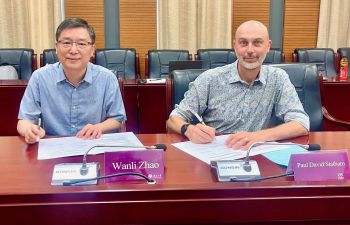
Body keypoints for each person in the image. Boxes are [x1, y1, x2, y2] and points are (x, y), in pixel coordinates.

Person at [166, 20, 309, 150]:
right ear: (235, 45)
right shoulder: (210, 79)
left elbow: (301, 123)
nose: (250, 50)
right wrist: (188, 129)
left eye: (257, 42)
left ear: (268, 46)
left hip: (258, 154)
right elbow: (173, 120)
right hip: (215, 153)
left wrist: (258, 137)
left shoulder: (278, 78)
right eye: (243, 43)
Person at [17, 18, 126, 144]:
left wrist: (98, 128)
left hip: (93, 146)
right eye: (67, 43)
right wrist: (29, 130)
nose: (73, 50)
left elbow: (117, 118)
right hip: (53, 148)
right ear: (56, 47)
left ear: (92, 50)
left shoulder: (106, 78)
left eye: (81, 44)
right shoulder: (39, 78)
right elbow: (24, 121)